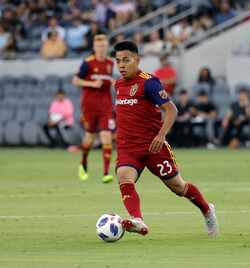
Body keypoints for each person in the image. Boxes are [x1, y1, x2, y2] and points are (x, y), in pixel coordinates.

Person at [112, 41, 218, 237]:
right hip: (128, 147)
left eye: (126, 60)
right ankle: (138, 220)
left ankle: (207, 209)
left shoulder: (149, 82)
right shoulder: (118, 84)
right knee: (124, 177)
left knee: (178, 187)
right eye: (118, 61)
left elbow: (171, 110)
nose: (121, 65)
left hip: (153, 146)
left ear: (137, 59)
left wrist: (161, 135)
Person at [72, 34, 115, 183]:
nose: (102, 49)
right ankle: (83, 162)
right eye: (99, 46)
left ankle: (106, 173)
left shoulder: (110, 62)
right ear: (94, 47)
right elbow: (75, 80)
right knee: (89, 137)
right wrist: (91, 84)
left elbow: (108, 81)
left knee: (106, 137)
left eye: (104, 46)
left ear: (107, 47)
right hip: (90, 106)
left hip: (106, 106)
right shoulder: (88, 63)